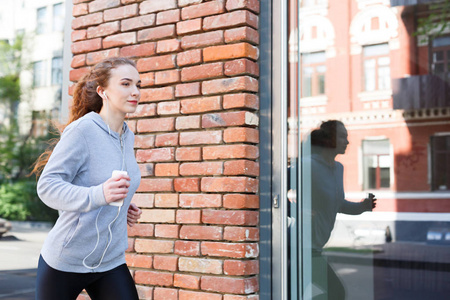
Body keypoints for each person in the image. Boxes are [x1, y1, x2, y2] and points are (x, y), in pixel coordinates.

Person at [31, 57, 143, 300]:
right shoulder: (83, 131)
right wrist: (99, 195)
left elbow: (105, 183)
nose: (135, 91)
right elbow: (48, 186)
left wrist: (123, 207)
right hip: (65, 261)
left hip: (109, 260)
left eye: (138, 85)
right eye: (125, 84)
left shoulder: (127, 135)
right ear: (102, 91)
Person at [307, 120, 376, 300]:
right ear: (329, 139)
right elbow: (278, 189)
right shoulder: (309, 165)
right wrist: (298, 210)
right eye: (343, 137)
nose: (347, 141)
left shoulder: (338, 168)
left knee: (316, 294)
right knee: (335, 293)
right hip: (299, 246)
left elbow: (338, 204)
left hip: (316, 246)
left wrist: (362, 207)